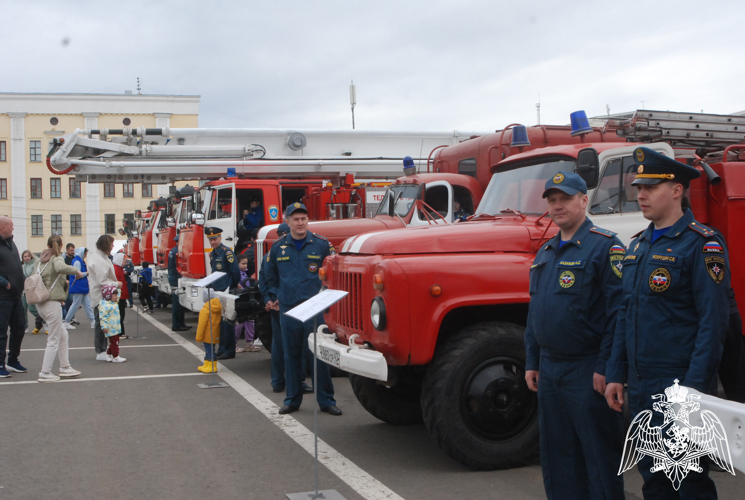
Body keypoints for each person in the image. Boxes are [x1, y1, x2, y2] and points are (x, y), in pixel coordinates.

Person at [605, 147, 730, 498]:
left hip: (679, 386)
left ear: (676, 190)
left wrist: (691, 392)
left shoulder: (702, 245)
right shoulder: (637, 247)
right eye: (638, 188)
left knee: (688, 481)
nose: (640, 195)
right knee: (655, 480)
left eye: (650, 188)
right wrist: (616, 372)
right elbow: (625, 314)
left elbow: (713, 323)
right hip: (641, 387)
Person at [524, 171, 625, 499]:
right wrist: (532, 360)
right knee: (557, 457)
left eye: (565, 199)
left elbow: (618, 313)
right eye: (552, 201)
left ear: (584, 201)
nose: (557, 206)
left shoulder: (605, 247)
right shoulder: (546, 252)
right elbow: (535, 312)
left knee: (598, 457)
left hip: (587, 370)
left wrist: (606, 366)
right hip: (550, 371)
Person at [264, 203, 341, 416]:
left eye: (303, 219)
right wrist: (276, 296)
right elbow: (270, 275)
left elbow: (333, 273)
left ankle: (326, 400)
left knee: (319, 355)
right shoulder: (278, 247)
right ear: (287, 221)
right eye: (295, 219)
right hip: (289, 309)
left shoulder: (321, 244)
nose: (300, 223)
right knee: (291, 355)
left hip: (315, 310)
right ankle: (292, 400)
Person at [36, 234, 85, 382]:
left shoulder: (40, 260)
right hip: (52, 303)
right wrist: (76, 271)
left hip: (42, 302)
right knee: (54, 339)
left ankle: (65, 366)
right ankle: (45, 372)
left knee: (63, 335)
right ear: (61, 246)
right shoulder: (56, 258)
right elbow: (60, 267)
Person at [204, 227, 240, 360]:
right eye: (210, 240)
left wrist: (232, 287)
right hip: (217, 290)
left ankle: (229, 350)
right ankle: (222, 348)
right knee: (220, 322)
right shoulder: (213, 253)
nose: (213, 242)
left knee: (228, 322)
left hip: (226, 290)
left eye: (214, 239)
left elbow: (235, 272)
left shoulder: (227, 253)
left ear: (220, 238)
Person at [0, 216, 29, 377]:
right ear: (2, 227)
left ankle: (12, 360)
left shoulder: (11, 243)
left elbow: (17, 266)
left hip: (16, 296)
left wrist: (24, 281)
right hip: (2, 296)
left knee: (19, 328)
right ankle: (0, 364)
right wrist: (5, 283)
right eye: (10, 226)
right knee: (1, 332)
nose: (13, 228)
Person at [88, 235, 122, 362]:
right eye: (112, 244)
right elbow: (102, 281)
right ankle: (101, 350)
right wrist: (116, 284)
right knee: (101, 324)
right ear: (106, 245)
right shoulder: (99, 260)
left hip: (102, 296)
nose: (113, 246)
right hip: (100, 297)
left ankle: (104, 350)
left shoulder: (101, 257)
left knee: (103, 323)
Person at [62, 247, 96, 330]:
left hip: (80, 286)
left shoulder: (77, 260)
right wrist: (87, 273)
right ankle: (66, 321)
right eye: (85, 254)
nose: (85, 255)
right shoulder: (77, 261)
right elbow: (77, 275)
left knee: (86, 304)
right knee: (76, 304)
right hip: (79, 286)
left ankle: (93, 321)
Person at [235, 255, 260, 353]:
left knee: (250, 321)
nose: (245, 266)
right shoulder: (237, 275)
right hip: (240, 300)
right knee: (239, 324)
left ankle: (249, 343)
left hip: (247, 298)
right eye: (243, 263)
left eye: (246, 263)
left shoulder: (245, 274)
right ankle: (234, 344)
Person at [168, 233, 190, 332]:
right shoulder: (178, 251)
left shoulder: (172, 250)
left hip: (173, 277)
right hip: (176, 278)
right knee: (178, 302)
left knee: (178, 301)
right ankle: (177, 324)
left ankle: (180, 323)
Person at [99, 285, 126, 363]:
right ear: (108, 296)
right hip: (111, 328)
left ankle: (109, 354)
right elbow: (103, 317)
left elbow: (118, 294)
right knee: (115, 342)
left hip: (115, 327)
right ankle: (115, 356)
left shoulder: (113, 303)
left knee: (114, 342)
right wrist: (104, 327)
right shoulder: (105, 306)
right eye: (114, 295)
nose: (116, 297)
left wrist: (118, 288)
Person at [21, 250, 45, 335]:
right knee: (23, 309)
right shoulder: (23, 266)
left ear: (31, 256)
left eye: (28, 256)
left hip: (32, 289)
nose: (27, 258)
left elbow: (33, 276)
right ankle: (25, 326)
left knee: (32, 309)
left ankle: (45, 322)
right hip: (24, 290)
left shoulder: (34, 264)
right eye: (25, 256)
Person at [196, 297, 221, 373]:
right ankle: (207, 364)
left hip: (207, 334)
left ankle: (211, 366)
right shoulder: (218, 308)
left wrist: (199, 336)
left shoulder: (205, 310)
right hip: (215, 332)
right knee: (210, 349)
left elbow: (201, 325)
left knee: (209, 351)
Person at [112, 253, 131, 340]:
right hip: (119, 295)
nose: (125, 263)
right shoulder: (116, 269)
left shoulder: (118, 268)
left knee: (121, 314)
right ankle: (119, 333)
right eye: (124, 261)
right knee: (120, 314)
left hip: (121, 294)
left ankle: (120, 332)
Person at [63, 243, 75, 321]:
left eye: (73, 250)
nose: (73, 252)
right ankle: (67, 317)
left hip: (73, 281)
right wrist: (65, 280)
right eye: (71, 250)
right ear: (67, 250)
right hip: (66, 281)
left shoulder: (75, 258)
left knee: (72, 300)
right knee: (68, 299)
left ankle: (70, 317)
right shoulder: (64, 259)